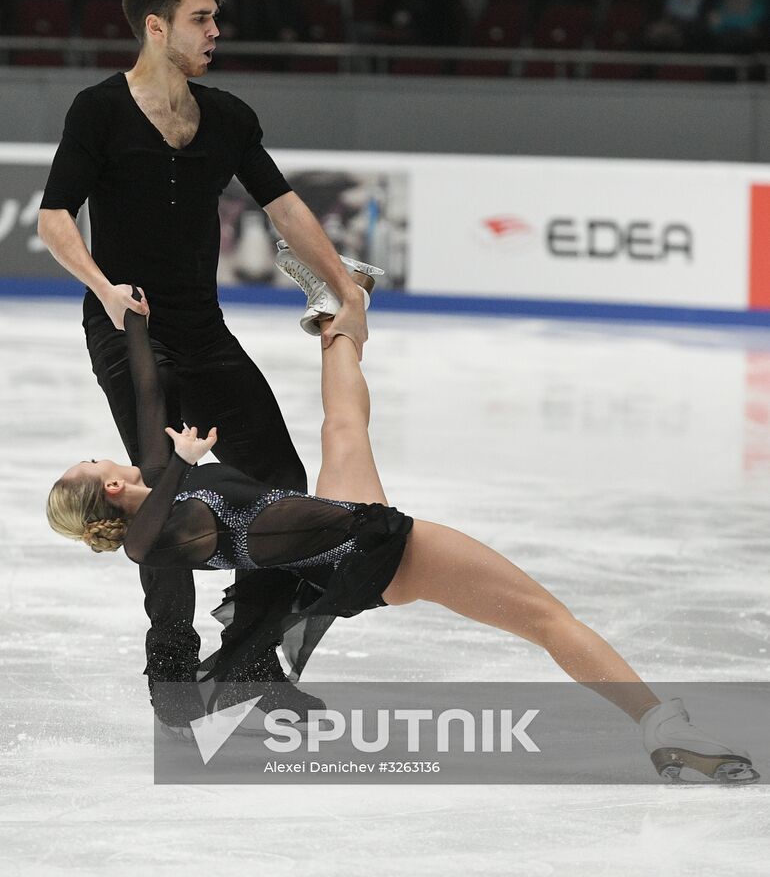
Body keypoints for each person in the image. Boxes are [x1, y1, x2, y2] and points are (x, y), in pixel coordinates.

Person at [45, 252, 759, 785]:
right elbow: (145, 538)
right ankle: (662, 727)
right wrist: (180, 463)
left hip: (342, 536)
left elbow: (145, 392)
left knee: (343, 429)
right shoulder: (157, 530)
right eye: (92, 463)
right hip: (369, 548)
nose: (104, 455)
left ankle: (334, 309)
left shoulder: (164, 489)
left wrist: (130, 321)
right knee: (547, 618)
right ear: (109, 486)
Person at [37, 0, 368, 731]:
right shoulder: (99, 110)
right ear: (157, 28)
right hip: (131, 332)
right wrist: (104, 288)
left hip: (204, 329)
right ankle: (174, 676)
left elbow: (281, 205)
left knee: (284, 481)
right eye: (201, 18)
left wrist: (344, 284)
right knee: (164, 495)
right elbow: (54, 218)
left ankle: (252, 653)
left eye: (213, 17)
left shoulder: (225, 115)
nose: (216, 29)